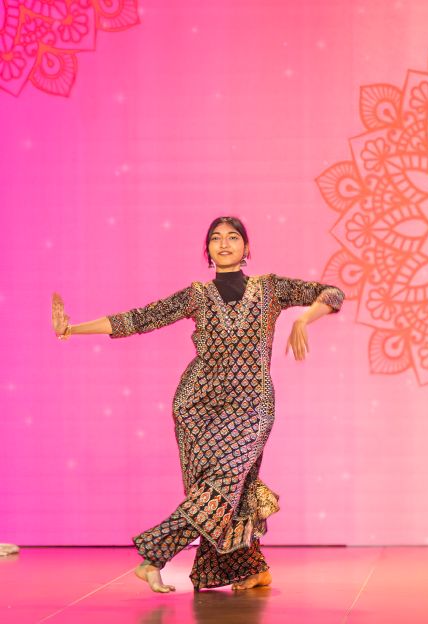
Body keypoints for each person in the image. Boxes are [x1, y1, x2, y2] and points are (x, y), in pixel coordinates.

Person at [50, 216, 345, 593]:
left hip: (253, 407)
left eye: (233, 237)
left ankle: (153, 557)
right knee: (225, 491)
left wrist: (304, 319)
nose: (224, 243)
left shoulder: (271, 288)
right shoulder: (197, 295)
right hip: (198, 408)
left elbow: (332, 293)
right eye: (216, 238)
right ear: (207, 250)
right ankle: (248, 569)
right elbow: (140, 319)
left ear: (246, 247)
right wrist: (72, 329)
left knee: (222, 489)